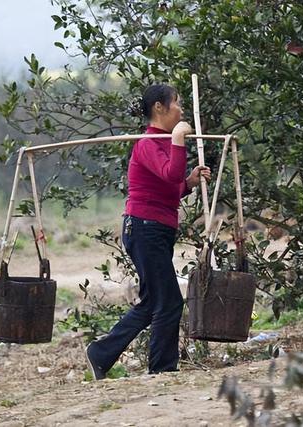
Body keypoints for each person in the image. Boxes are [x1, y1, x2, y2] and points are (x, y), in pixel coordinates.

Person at [85, 84, 211, 379]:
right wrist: (179, 137)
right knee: (169, 301)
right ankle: (163, 369)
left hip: (156, 229)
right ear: (159, 107)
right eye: (176, 103)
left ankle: (101, 354)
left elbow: (168, 186)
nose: (181, 109)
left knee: (154, 301)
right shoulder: (147, 143)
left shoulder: (163, 143)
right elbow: (169, 172)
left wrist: (189, 183)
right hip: (144, 228)